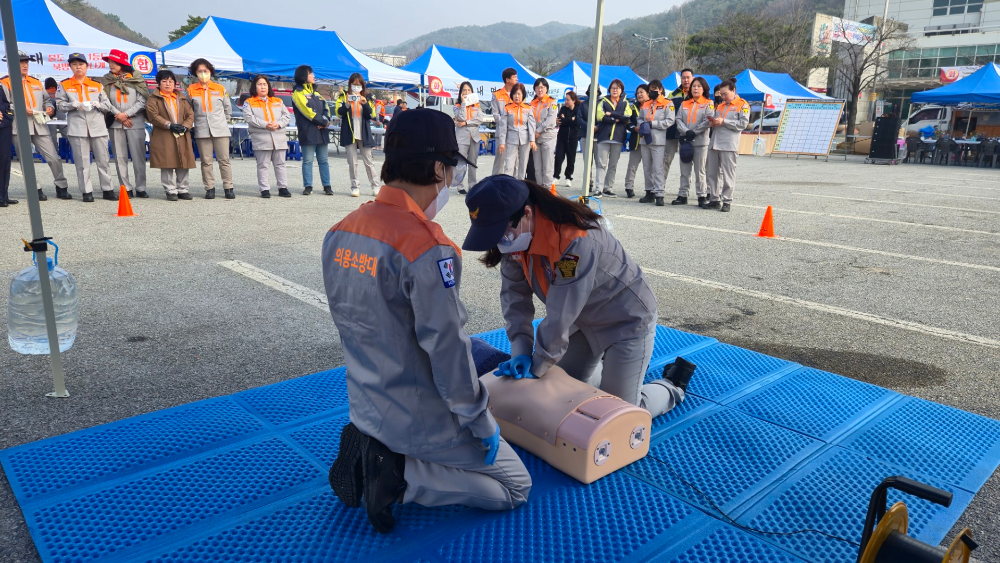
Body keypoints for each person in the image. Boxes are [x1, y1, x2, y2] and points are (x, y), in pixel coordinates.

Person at [323, 109, 531, 534]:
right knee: (514, 486)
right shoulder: (427, 247)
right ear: (439, 168)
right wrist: (479, 419)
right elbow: (448, 351)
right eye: (452, 169)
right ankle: (400, 477)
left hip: (367, 403)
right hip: (417, 415)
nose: (451, 180)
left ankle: (379, 450)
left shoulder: (342, 229)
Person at [463, 176, 691, 417]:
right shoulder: (515, 239)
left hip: (626, 321)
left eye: (502, 233)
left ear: (526, 213)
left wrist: (539, 361)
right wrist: (520, 350)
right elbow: (514, 299)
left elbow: (561, 312)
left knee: (618, 414)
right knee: (565, 395)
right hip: (581, 321)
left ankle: (672, 386)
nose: (501, 243)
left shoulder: (574, 241)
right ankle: (612, 370)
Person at [2, 51, 69, 201]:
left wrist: (49, 107)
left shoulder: (36, 82)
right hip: (19, 126)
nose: (25, 65)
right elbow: (4, 105)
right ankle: (35, 188)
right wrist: (19, 108)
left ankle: (61, 186)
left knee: (53, 157)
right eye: (21, 62)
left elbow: (46, 100)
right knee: (26, 160)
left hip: (39, 124)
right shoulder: (5, 82)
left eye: (26, 62)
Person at [57, 52, 115, 202]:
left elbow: (108, 105)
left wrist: (99, 105)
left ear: (87, 66)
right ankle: (86, 191)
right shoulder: (64, 84)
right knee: (82, 162)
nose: (78, 67)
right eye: (74, 64)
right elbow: (59, 105)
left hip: (97, 126)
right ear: (70, 66)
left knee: (103, 160)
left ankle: (108, 189)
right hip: (78, 127)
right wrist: (71, 105)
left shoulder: (97, 85)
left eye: (81, 64)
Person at [100, 49, 148, 199]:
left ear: (123, 64)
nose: (111, 64)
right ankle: (125, 187)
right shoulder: (107, 80)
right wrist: (119, 115)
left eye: (114, 62)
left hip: (135, 122)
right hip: (116, 122)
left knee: (138, 156)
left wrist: (126, 114)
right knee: (120, 157)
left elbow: (143, 100)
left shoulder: (137, 78)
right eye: (109, 62)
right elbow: (105, 101)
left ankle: (141, 187)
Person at [145, 69, 196, 201]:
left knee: (183, 161)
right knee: (167, 162)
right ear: (158, 83)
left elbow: (190, 114)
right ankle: (170, 190)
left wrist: (186, 126)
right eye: (164, 81)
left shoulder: (182, 97)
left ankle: (183, 189)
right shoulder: (153, 98)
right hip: (164, 133)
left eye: (170, 81)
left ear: (175, 83)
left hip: (182, 133)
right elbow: (153, 115)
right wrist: (169, 124)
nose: (168, 84)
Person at [187, 58, 234, 200]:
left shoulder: (220, 89)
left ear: (210, 72)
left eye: (205, 71)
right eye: (199, 71)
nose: (203, 74)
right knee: (206, 161)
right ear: (195, 73)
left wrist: (223, 122)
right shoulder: (191, 90)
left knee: (224, 160)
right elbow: (189, 109)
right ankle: (209, 188)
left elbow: (228, 108)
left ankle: (228, 187)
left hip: (220, 129)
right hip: (202, 129)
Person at [243, 75, 291, 199]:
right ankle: (264, 189)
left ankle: (283, 187)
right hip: (261, 138)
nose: (263, 86)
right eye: (260, 84)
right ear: (255, 86)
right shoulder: (249, 102)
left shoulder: (277, 101)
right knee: (263, 165)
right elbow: (249, 118)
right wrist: (265, 125)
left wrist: (278, 124)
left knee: (280, 164)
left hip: (278, 137)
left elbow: (286, 116)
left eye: (265, 84)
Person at [706, 78, 750, 212]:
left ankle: (727, 200)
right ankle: (714, 199)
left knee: (728, 174)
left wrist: (724, 121)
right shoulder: (720, 106)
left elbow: (742, 124)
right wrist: (713, 122)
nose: (723, 96)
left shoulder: (743, 105)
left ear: (734, 90)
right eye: (721, 94)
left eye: (725, 93)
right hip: (715, 142)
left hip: (729, 144)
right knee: (712, 173)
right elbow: (718, 121)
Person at [335, 73, 379, 197]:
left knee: (368, 161)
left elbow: (372, 115)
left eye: (358, 85)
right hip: (350, 133)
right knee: (352, 162)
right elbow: (339, 113)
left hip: (363, 133)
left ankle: (375, 186)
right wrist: (347, 104)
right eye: (354, 85)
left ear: (362, 86)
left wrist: (364, 103)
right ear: (349, 85)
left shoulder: (367, 98)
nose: (356, 87)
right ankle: (355, 186)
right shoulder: (343, 96)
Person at [292, 65, 333, 196]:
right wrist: (323, 121)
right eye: (311, 73)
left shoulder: (317, 93)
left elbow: (327, 109)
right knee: (308, 160)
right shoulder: (298, 93)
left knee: (324, 160)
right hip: (308, 131)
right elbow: (307, 111)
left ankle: (327, 186)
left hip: (322, 132)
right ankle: (308, 186)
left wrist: (326, 121)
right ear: (303, 75)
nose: (314, 76)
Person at [674, 77, 713, 207]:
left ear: (704, 89)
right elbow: (678, 119)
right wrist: (686, 131)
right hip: (685, 141)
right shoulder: (685, 103)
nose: (695, 88)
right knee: (684, 170)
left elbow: (707, 121)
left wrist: (694, 132)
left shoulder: (708, 103)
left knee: (700, 170)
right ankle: (682, 194)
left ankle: (701, 195)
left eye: (698, 86)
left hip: (700, 142)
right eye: (693, 86)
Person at [637, 80, 674, 206]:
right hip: (645, 139)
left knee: (658, 168)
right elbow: (639, 118)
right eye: (650, 89)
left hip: (658, 140)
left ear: (660, 90)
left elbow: (670, 121)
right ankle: (649, 192)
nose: (652, 91)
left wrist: (653, 124)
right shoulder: (646, 104)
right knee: (647, 167)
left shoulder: (668, 103)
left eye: (654, 89)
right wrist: (642, 124)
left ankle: (659, 193)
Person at [593, 79, 632, 198]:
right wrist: (616, 119)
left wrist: (611, 114)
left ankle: (608, 188)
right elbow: (600, 116)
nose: (615, 90)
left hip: (618, 137)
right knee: (601, 164)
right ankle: (598, 188)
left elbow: (627, 116)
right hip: (604, 136)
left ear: (621, 90)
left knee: (613, 165)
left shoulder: (625, 103)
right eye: (613, 87)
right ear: (609, 89)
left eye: (618, 88)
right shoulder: (603, 101)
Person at [497, 83, 535, 179]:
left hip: (525, 139)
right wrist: (502, 142)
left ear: (523, 95)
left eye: (519, 94)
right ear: (512, 95)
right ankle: (507, 184)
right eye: (515, 94)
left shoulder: (528, 108)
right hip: (511, 139)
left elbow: (531, 125)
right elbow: (503, 126)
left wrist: (532, 140)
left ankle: (521, 185)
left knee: (523, 164)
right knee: (509, 164)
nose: (517, 96)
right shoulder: (507, 108)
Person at [452, 81, 483, 194]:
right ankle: (460, 185)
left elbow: (480, 119)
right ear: (460, 93)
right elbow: (461, 116)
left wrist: (466, 123)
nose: (466, 92)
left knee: (472, 162)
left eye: (468, 90)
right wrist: (464, 103)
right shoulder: (457, 106)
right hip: (462, 137)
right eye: (464, 90)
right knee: (460, 162)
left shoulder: (477, 105)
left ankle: (472, 185)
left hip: (474, 137)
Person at [664, 69, 693, 186]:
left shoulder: (696, 94)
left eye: (688, 77)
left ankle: (684, 190)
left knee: (686, 161)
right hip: (671, 132)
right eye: (683, 78)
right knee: (665, 160)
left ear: (692, 78)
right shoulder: (672, 94)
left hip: (687, 133)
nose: (686, 80)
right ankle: (659, 187)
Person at [530, 78, 558, 190]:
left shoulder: (552, 102)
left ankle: (547, 190)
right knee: (537, 167)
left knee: (547, 166)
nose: (540, 89)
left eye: (542, 87)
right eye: (537, 87)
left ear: (546, 89)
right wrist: (533, 133)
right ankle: (540, 189)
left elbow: (551, 120)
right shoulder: (532, 103)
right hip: (536, 139)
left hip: (547, 137)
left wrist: (538, 130)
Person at [622, 85, 647, 199]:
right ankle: (629, 187)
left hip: (649, 141)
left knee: (649, 167)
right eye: (638, 93)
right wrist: (634, 128)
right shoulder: (633, 107)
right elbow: (628, 122)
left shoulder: (653, 106)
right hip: (636, 140)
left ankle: (650, 189)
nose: (639, 95)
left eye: (642, 92)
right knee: (632, 165)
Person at [491, 67, 517, 175]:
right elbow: (496, 115)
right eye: (515, 77)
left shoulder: (518, 94)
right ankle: (495, 184)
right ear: (507, 79)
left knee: (514, 162)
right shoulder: (496, 95)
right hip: (501, 133)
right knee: (499, 161)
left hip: (515, 133)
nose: (517, 79)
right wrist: (505, 124)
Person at [553, 90, 578, 188]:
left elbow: (576, 122)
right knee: (558, 158)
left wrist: (566, 120)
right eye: (565, 100)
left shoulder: (577, 109)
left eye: (568, 100)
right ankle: (556, 176)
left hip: (573, 138)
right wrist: (569, 120)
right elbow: (560, 120)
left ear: (573, 100)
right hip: (562, 138)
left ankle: (568, 177)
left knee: (571, 159)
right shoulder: (563, 109)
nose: (566, 102)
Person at [0, 80, 14, 207]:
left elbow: (8, 103)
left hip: (4, 124)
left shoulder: (2, 85)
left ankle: (3, 194)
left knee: (5, 159)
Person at [43, 77, 65, 146]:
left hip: (50, 115)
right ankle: (68, 150)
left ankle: (54, 152)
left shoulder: (45, 92)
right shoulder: (58, 91)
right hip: (61, 114)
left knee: (52, 135)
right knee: (65, 132)